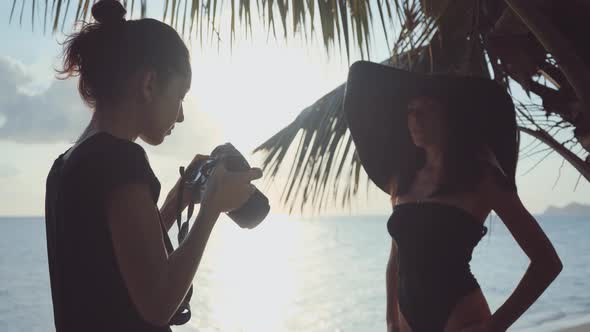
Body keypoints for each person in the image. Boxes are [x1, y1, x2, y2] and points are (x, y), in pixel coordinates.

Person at [44, 1, 262, 331]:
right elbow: (158, 303)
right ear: (149, 85)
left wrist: (173, 207)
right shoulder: (119, 162)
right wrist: (210, 210)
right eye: (180, 96)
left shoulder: (65, 167)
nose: (181, 115)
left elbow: (113, 268)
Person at [343, 61, 563, 332]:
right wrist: (390, 321)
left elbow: (547, 262)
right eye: (411, 111)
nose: (415, 119)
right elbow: (396, 259)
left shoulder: (483, 178)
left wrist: (494, 327)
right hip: (407, 322)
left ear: (448, 116)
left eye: (427, 110)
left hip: (460, 317)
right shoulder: (401, 178)